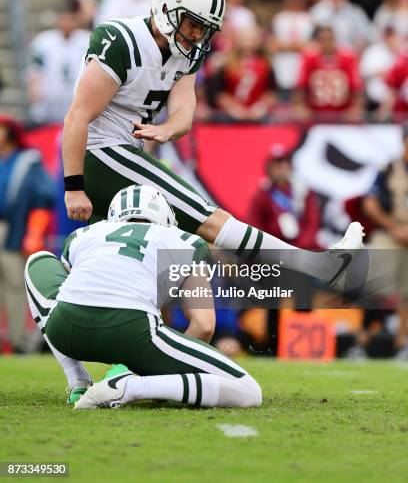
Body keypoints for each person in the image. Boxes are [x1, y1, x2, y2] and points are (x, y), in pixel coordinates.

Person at [62, 0, 364, 295]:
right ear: (166, 9)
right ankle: (324, 268)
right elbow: (77, 117)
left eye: (205, 28)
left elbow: (183, 113)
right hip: (99, 151)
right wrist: (73, 185)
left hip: (123, 151)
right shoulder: (120, 40)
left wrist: (167, 130)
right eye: (193, 23)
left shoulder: (186, 53)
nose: (197, 34)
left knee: (155, 250)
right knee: (208, 218)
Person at [25, 184, 262, 409]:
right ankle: (132, 387)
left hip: (67, 330)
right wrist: (163, 379)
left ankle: (77, 379)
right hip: (133, 332)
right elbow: (204, 324)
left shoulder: (83, 235)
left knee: (37, 261)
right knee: (248, 390)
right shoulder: (186, 242)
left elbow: (75, 286)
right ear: (165, 217)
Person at [0, 115, 55, 352]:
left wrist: (34, 232)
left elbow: (44, 197)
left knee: (14, 285)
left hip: (13, 229)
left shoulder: (27, 162)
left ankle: (19, 340)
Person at [362, 126, 408, 358]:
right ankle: (364, 338)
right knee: (373, 283)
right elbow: (369, 203)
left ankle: (402, 344)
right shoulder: (389, 168)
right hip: (391, 232)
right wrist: (393, 226)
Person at [248, 144, 320, 249]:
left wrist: (300, 247)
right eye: (276, 165)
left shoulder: (302, 189)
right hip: (273, 248)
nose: (281, 169)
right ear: (268, 168)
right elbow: (254, 223)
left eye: (284, 163)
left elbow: (312, 221)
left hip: (301, 246)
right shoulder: (262, 193)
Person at [26, 9, 90, 125]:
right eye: (64, 20)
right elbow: (34, 68)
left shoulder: (87, 40)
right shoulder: (44, 40)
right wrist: (34, 88)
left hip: (76, 96)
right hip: (49, 96)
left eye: (70, 20)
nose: (66, 24)